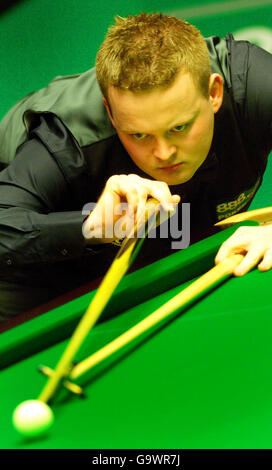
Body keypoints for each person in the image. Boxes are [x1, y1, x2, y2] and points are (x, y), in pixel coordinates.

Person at [0, 12, 271, 321]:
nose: (164, 152)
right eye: (139, 134)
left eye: (179, 127)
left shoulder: (252, 85)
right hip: (40, 273)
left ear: (214, 93)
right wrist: (94, 226)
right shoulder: (66, 142)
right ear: (111, 114)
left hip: (181, 237)